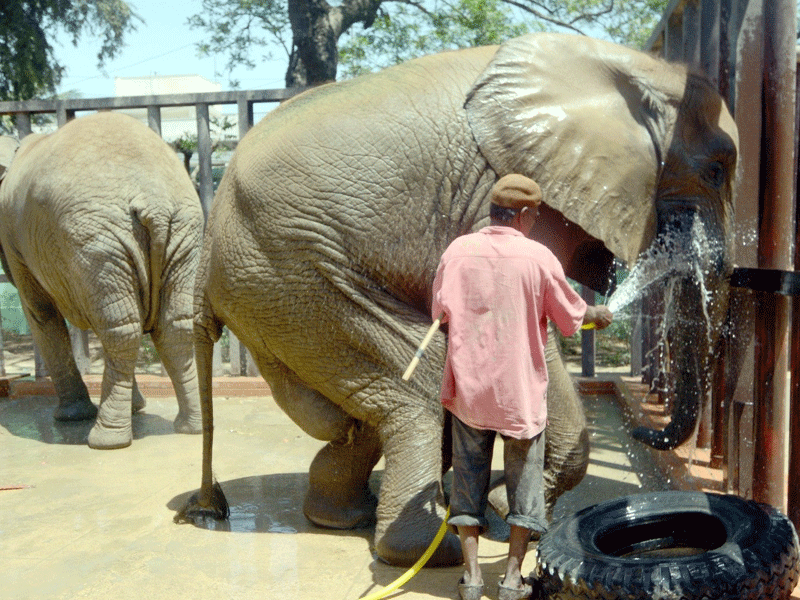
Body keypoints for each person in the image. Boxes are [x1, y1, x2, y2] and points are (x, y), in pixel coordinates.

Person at [431, 174, 613, 600]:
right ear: (526, 215)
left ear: (494, 211)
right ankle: (512, 581)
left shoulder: (458, 252)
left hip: (469, 395)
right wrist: (597, 314)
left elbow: (441, 312)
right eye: (535, 215)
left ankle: (472, 579)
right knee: (525, 494)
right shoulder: (538, 258)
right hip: (519, 399)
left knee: (466, 486)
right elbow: (572, 316)